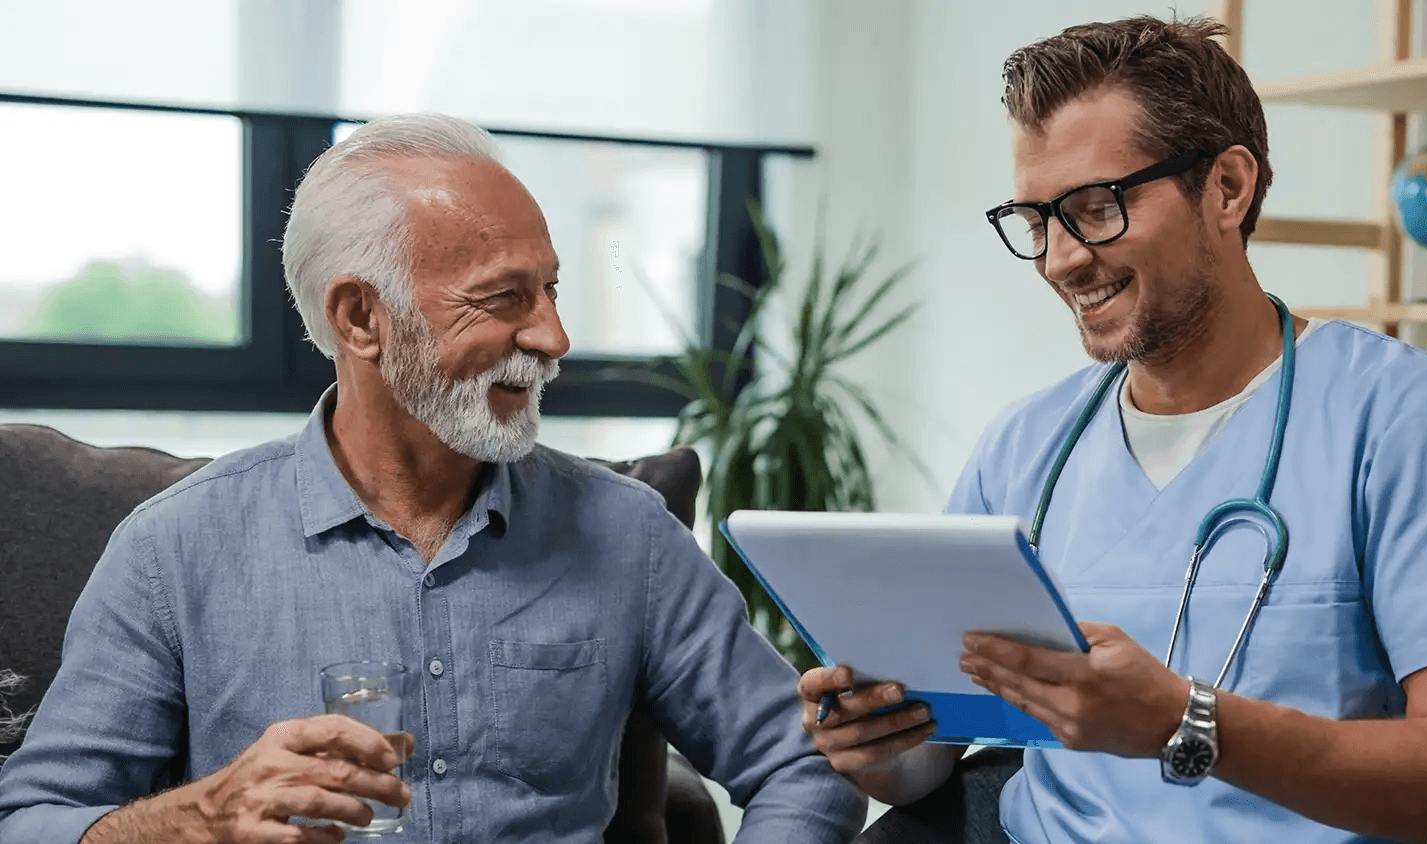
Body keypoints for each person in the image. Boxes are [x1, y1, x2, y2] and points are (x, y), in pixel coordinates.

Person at [0, 113, 865, 844]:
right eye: (504, 300)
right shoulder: (173, 547)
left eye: (552, 291)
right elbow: (33, 815)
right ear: (362, 318)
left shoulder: (628, 533)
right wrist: (194, 818)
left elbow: (800, 763)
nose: (554, 337)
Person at [797, 15, 1427, 844]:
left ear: (1227, 189)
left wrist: (1184, 722)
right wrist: (876, 746)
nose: (1058, 258)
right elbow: (931, 766)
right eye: (1035, 221)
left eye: (1096, 207)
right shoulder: (1022, 449)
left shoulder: (1410, 422)